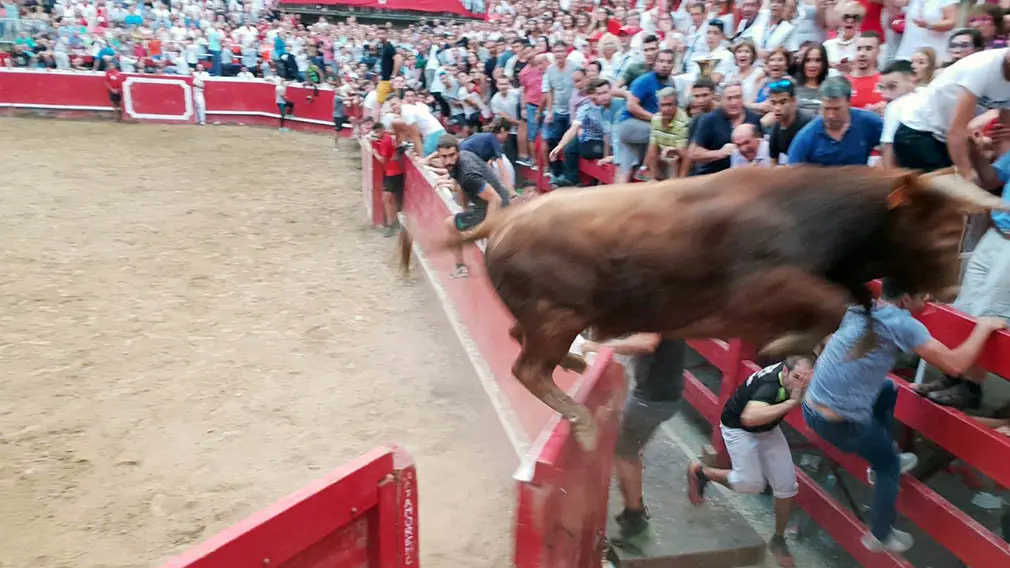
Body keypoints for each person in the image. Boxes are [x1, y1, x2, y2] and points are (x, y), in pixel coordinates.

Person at [802, 278, 1006, 553]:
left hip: (811, 405)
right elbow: (956, 365)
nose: (930, 301)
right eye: (925, 295)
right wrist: (983, 326)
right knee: (889, 467)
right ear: (906, 300)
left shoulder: (863, 308)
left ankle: (884, 455)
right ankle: (880, 534)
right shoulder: (900, 323)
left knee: (888, 386)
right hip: (840, 422)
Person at [688, 354, 816, 568]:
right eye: (796, 377)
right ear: (785, 371)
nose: (800, 383)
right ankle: (701, 472)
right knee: (750, 483)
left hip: (767, 428)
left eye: (805, 379)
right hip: (739, 428)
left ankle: (778, 538)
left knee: (786, 485)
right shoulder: (769, 386)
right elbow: (749, 417)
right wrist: (793, 402)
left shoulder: (794, 374)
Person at [581, 336, 687, 541]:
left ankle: (634, 515)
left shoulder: (657, 311)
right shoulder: (671, 313)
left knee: (623, 452)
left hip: (651, 401)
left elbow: (646, 343)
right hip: (664, 396)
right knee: (630, 447)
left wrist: (601, 346)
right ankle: (634, 508)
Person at [893, 48, 1010, 177]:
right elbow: (956, 132)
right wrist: (966, 178)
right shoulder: (982, 69)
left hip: (945, 138)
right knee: (946, 190)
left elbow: (1003, 135)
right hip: (919, 131)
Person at [434, 135, 512, 279]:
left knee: (449, 225)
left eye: (451, 155)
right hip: (487, 204)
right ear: (439, 156)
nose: (448, 160)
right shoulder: (460, 160)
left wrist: (487, 230)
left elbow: (495, 199)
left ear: (457, 153)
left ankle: (461, 268)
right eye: (443, 157)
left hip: (495, 206)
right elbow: (460, 185)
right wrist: (464, 210)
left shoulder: (468, 174)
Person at [787, 77, 882, 166]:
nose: (831, 115)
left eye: (837, 109)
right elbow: (793, 172)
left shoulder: (868, 122)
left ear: (848, 103)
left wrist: (880, 166)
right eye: (826, 109)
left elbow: (892, 142)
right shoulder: (806, 136)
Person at [688, 82, 764, 176]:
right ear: (721, 99)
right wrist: (720, 153)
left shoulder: (754, 118)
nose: (734, 102)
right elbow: (693, 153)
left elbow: (762, 147)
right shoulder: (709, 120)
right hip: (714, 176)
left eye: (737, 97)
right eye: (729, 98)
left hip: (746, 176)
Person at [877, 60, 920, 169]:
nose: (885, 95)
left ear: (912, 80)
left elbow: (888, 146)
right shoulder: (929, 94)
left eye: (892, 87)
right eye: (882, 88)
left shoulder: (895, 106)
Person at [645, 87, 690, 179]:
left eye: (669, 105)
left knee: (674, 158)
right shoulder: (655, 119)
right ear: (658, 106)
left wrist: (680, 180)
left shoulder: (684, 121)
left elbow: (684, 155)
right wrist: (653, 176)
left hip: (679, 157)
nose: (666, 109)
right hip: (664, 155)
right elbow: (652, 149)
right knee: (649, 160)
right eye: (663, 105)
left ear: (676, 105)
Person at [461, 120, 517, 195]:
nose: (507, 138)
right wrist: (512, 191)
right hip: (467, 156)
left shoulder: (484, 137)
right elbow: (502, 168)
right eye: (507, 134)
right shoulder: (492, 138)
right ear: (502, 130)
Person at [766, 78, 811, 165]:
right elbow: (773, 162)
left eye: (783, 102)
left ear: (793, 101)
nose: (777, 108)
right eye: (773, 103)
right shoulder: (776, 130)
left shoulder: (807, 125)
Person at [372, 122, 404, 238]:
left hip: (391, 173)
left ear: (380, 130)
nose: (376, 135)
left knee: (386, 199)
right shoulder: (388, 137)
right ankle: (395, 223)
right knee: (392, 199)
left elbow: (382, 160)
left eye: (376, 132)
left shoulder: (385, 140)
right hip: (396, 172)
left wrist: (375, 151)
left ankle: (391, 225)